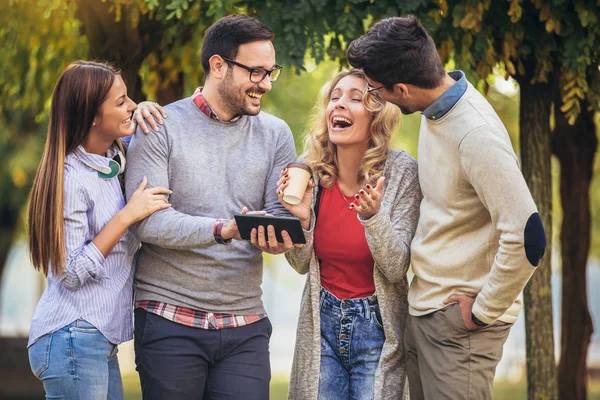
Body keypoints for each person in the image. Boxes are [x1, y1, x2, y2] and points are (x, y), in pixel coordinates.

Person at [347, 16, 547, 400]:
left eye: (375, 92)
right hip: (426, 310)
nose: (377, 99)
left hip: (461, 328)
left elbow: (528, 235)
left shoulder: (474, 134)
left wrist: (484, 310)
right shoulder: (436, 110)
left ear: (401, 89)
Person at [124, 14, 297, 399]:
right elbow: (148, 223)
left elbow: (279, 217)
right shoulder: (160, 126)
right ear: (218, 65)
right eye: (256, 72)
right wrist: (224, 229)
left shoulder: (276, 134)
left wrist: (280, 236)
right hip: (170, 316)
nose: (265, 84)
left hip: (245, 321)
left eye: (271, 72)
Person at [26, 60, 171, 399]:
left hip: (95, 337)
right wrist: (126, 216)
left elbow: (150, 134)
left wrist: (147, 110)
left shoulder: (113, 160)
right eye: (121, 101)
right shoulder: (70, 179)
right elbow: (71, 273)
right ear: (92, 115)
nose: (131, 106)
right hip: (72, 335)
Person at [278, 69, 421, 400]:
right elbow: (300, 264)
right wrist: (301, 219)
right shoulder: (311, 172)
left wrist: (372, 217)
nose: (339, 105)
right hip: (321, 323)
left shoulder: (401, 173)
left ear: (377, 116)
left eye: (355, 98)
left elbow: (396, 267)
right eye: (335, 97)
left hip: (377, 327)